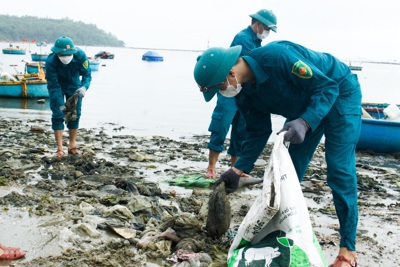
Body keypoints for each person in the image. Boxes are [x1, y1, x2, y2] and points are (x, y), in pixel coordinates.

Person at [193, 41, 361, 267]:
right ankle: (285, 235)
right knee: (287, 175)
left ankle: (347, 252)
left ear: (231, 74)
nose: (222, 93)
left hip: (340, 92)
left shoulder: (278, 57)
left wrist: (304, 121)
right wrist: (237, 169)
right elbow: (257, 132)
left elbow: (327, 87)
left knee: (339, 170)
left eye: (219, 88)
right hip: (306, 108)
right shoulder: (243, 93)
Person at [204, 9, 277, 179]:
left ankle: (235, 168)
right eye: (267, 28)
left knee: (241, 130)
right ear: (257, 23)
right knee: (221, 125)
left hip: (244, 92)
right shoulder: (243, 38)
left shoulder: (257, 42)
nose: (267, 33)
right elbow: (253, 63)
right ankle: (211, 168)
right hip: (229, 87)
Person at [45, 36, 92, 159]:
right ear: (57, 53)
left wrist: (84, 87)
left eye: (68, 54)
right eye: (62, 55)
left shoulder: (81, 56)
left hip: (74, 86)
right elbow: (53, 84)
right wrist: (60, 104)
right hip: (57, 86)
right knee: (58, 114)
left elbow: (87, 75)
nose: (65, 57)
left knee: (74, 114)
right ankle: (60, 149)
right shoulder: (50, 61)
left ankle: (72, 146)